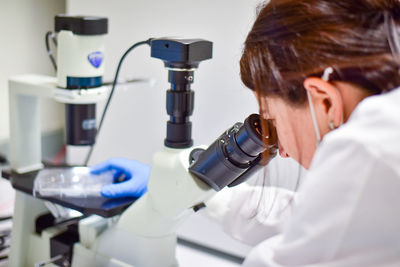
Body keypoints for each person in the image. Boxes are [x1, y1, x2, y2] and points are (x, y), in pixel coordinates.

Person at [91, 0, 400, 266]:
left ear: (324, 99)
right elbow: (320, 222)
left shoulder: (369, 149)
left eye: (272, 122)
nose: (284, 152)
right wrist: (194, 193)